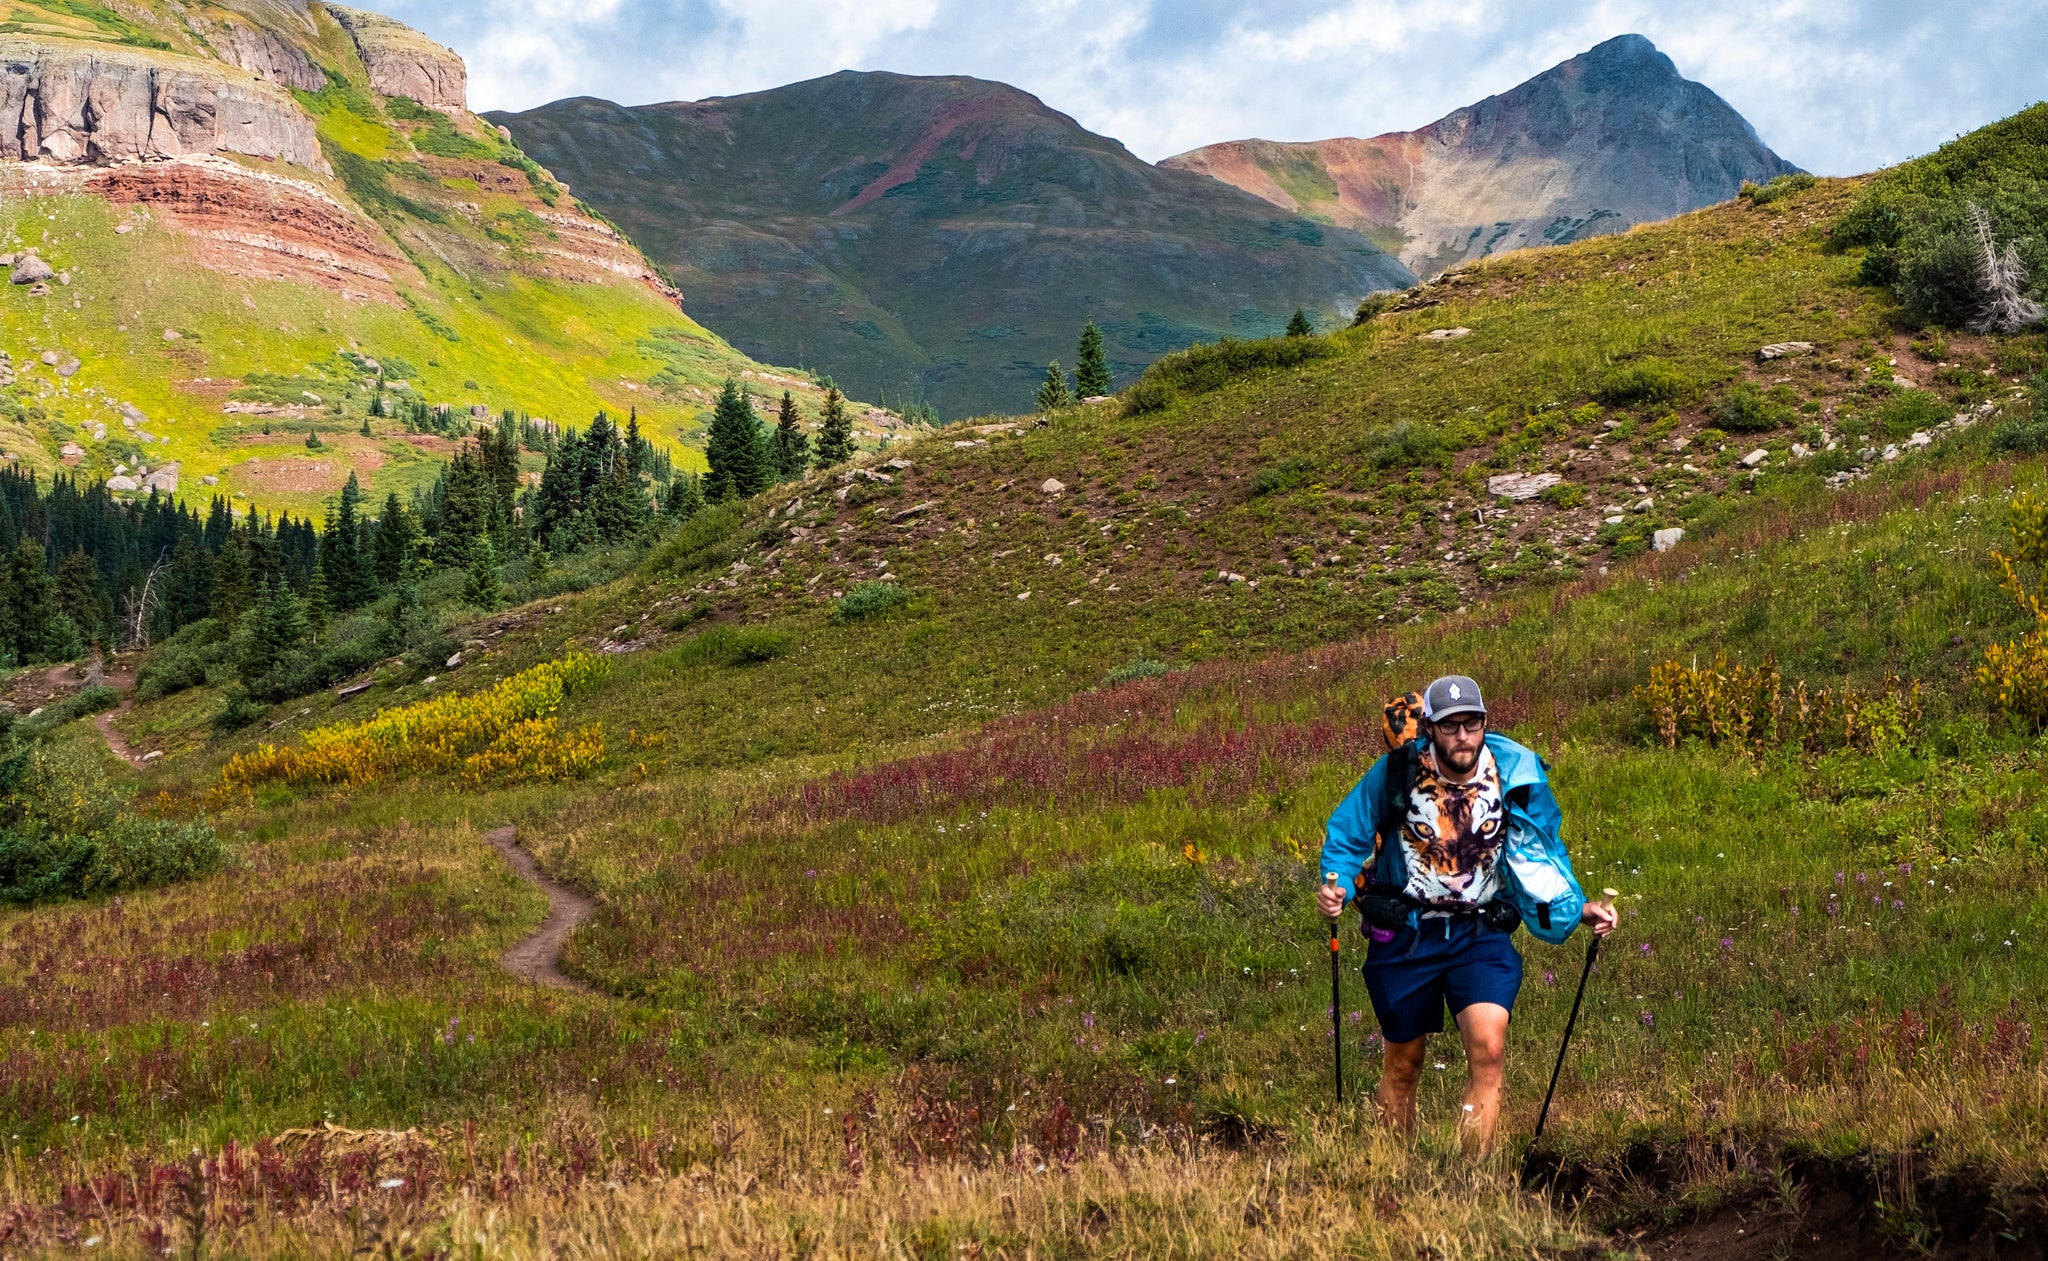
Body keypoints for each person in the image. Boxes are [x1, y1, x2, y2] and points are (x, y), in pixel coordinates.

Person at [1316, 675, 1615, 1152]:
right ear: (1430, 727)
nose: (1462, 736)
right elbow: (1348, 834)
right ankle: (1397, 1173)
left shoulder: (1515, 776)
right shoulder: (1396, 773)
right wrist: (1333, 885)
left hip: (1480, 930)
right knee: (1404, 1062)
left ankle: (1468, 1180)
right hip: (1408, 932)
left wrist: (1576, 907)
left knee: (1490, 1050)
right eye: (1451, 725)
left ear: (1484, 723)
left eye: (1471, 723)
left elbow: (1540, 853)